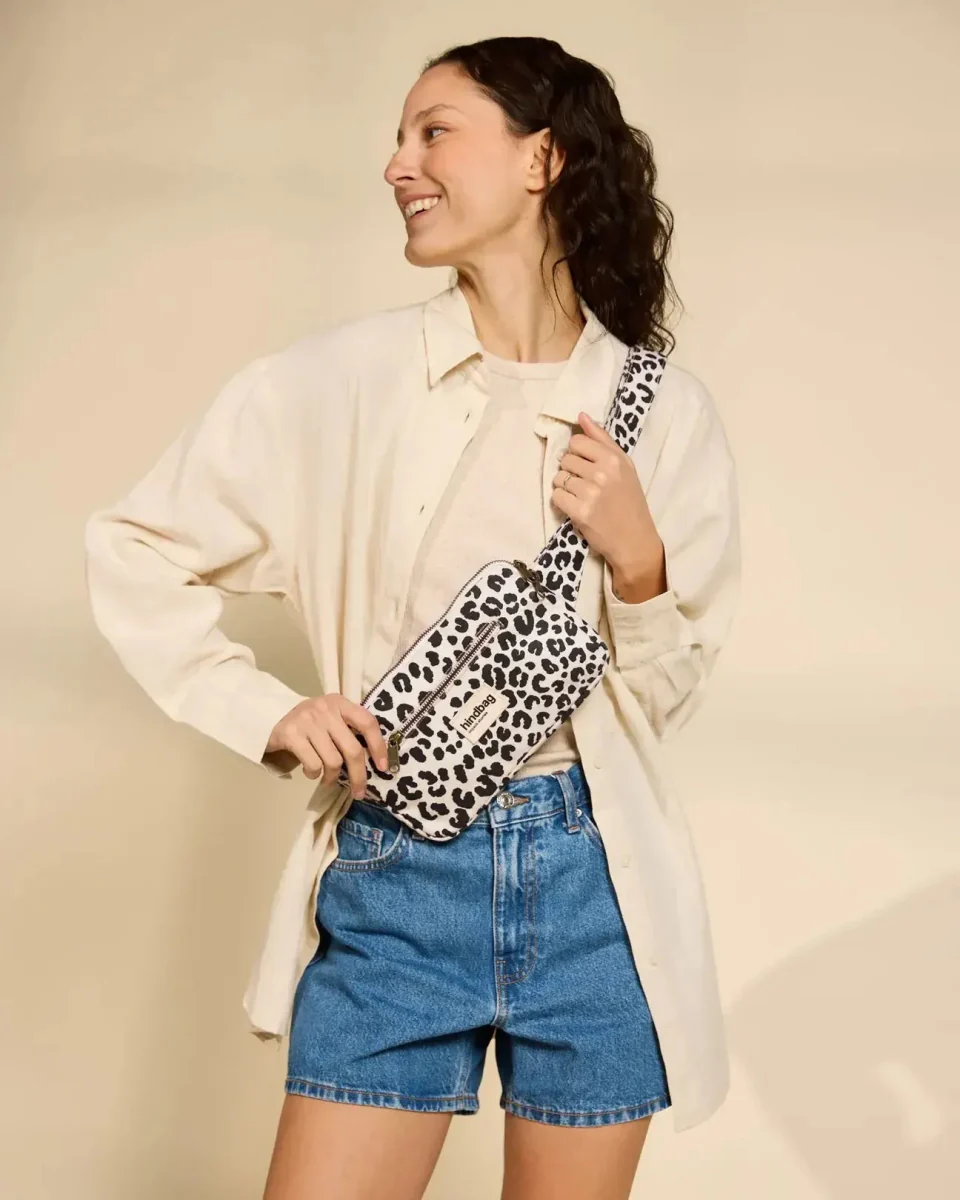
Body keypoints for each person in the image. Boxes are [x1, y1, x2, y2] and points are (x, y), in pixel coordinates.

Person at [84, 36, 741, 1200]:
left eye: (434, 131)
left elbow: (664, 699)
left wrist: (640, 566)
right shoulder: (341, 382)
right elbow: (136, 546)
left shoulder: (661, 413)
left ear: (541, 159)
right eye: (397, 137)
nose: (398, 163)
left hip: (597, 885)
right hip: (399, 872)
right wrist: (267, 710)